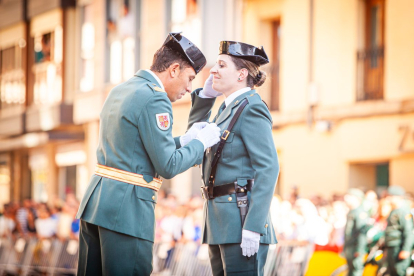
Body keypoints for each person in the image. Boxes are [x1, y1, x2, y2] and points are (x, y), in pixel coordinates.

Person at [76, 33, 221, 276]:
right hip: (127, 211)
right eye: (189, 78)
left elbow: (135, 148)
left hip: (97, 203)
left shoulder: (122, 89)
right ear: (174, 69)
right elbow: (168, 165)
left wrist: (183, 140)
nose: (189, 88)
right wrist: (200, 144)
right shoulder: (156, 98)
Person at [187, 41, 279, 275]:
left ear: (242, 74)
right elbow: (194, 139)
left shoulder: (251, 107)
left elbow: (268, 168)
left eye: (221, 65)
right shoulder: (227, 108)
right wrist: (206, 97)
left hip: (241, 220)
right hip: (221, 220)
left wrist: (254, 226)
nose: (213, 70)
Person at [383, 186, 414, 276]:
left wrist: (406, 249)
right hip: (392, 248)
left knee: (399, 272)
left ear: (399, 197)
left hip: (399, 247)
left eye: (391, 196)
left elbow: (408, 232)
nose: (388, 199)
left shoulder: (404, 211)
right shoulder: (394, 211)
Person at [343, 188, 369, 276]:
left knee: (356, 271)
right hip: (350, 247)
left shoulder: (360, 213)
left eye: (349, 196)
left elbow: (362, 233)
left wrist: (359, 249)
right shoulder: (351, 212)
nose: (346, 198)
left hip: (355, 248)